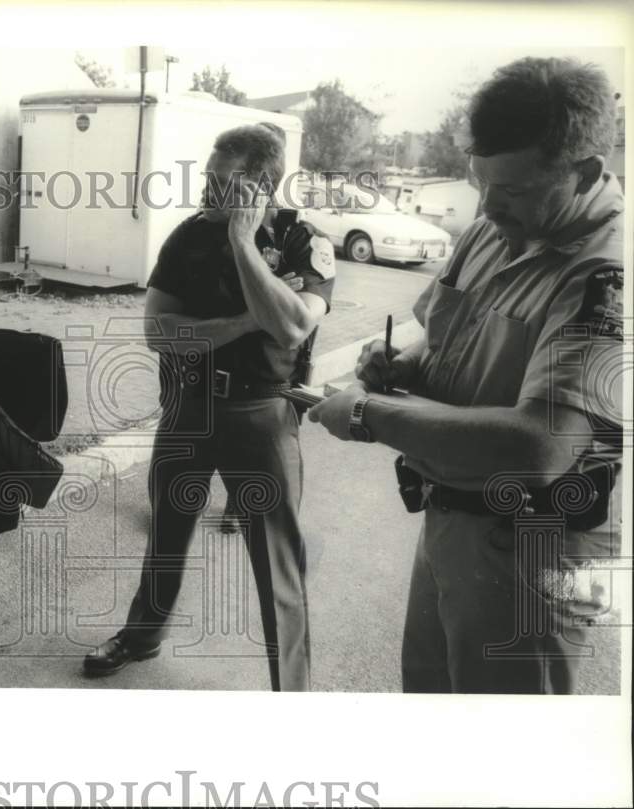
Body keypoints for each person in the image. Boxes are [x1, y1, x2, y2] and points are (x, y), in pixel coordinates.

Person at [308, 57, 624, 694]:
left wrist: (368, 414)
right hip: (450, 517)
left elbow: (543, 445)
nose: (486, 206)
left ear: (584, 173)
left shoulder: (607, 274)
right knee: (430, 711)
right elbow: (441, 334)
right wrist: (403, 364)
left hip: (535, 549)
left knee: (503, 756)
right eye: (481, 182)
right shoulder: (491, 227)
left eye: (511, 190)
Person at [83, 125, 335, 690]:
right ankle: (142, 636)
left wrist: (246, 247)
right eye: (206, 177)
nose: (204, 191)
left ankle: (291, 689)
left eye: (219, 183)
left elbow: (293, 325)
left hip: (261, 417)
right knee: (167, 534)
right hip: (187, 411)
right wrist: (250, 318)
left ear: (259, 187)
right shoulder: (188, 236)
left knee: (276, 558)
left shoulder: (303, 242)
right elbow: (159, 333)